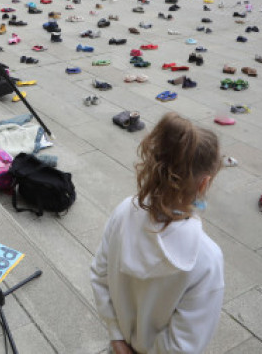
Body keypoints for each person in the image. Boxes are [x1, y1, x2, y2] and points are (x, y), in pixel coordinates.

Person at [90, 112, 224, 354]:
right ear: (204, 184)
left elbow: (99, 276)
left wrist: (117, 339)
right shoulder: (207, 259)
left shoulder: (123, 211)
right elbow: (185, 345)